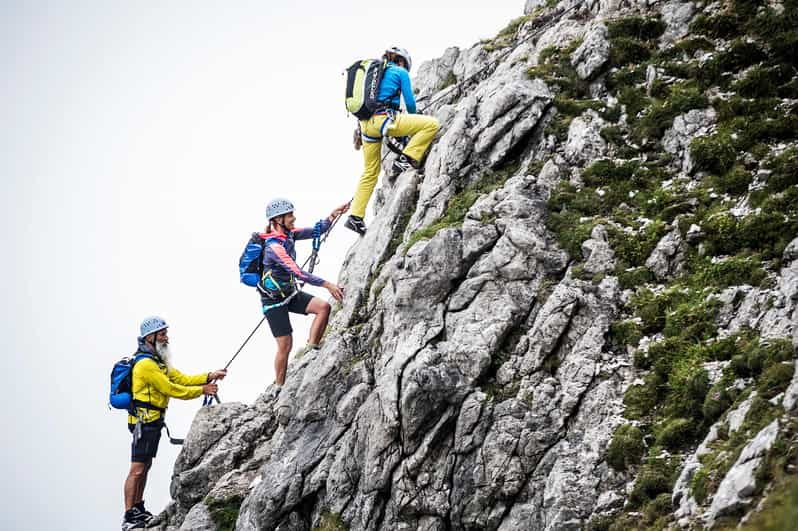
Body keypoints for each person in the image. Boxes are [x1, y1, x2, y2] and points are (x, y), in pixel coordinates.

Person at [122, 316, 227, 530]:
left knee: (145, 466)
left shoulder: (158, 362)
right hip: (144, 423)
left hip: (153, 422)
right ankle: (128, 516)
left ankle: (137, 508)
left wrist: (208, 376)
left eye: (165, 333)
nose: (166, 338)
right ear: (149, 338)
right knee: (137, 469)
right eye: (162, 334)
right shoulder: (145, 366)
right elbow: (172, 389)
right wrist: (202, 391)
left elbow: (181, 379)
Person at [345, 46, 440, 236]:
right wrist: (414, 120)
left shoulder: (377, 74)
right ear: (403, 61)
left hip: (366, 126)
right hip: (384, 120)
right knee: (431, 124)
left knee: (370, 171)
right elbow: (411, 104)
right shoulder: (400, 72)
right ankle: (405, 159)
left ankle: (355, 216)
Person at [260, 198, 348, 386]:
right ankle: (279, 387)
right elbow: (297, 272)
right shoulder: (274, 247)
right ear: (278, 219)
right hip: (273, 301)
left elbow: (318, 230)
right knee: (285, 345)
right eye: (289, 215)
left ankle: (312, 349)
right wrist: (327, 284)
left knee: (323, 307)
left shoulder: (289, 234)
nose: (293, 218)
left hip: (289, 293)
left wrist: (333, 214)